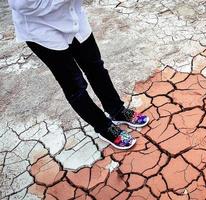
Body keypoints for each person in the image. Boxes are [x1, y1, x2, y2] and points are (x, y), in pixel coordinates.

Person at [8, 0, 149, 150]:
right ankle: (103, 126)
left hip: (74, 17)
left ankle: (117, 110)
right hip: (41, 29)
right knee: (75, 85)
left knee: (96, 68)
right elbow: (21, 5)